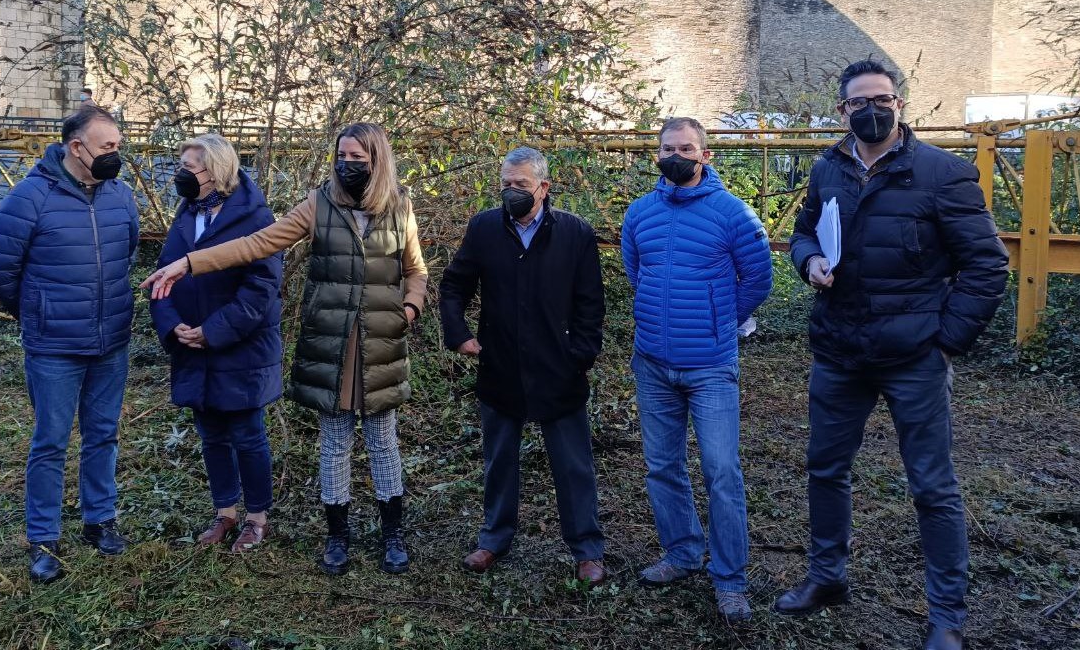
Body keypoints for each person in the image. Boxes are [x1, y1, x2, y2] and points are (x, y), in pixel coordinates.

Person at [775, 60, 1009, 650]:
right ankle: (828, 577)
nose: (872, 109)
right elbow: (804, 232)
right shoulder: (828, 169)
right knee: (826, 469)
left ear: (900, 104)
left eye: (883, 99)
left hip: (913, 359)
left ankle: (947, 617)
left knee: (932, 486)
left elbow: (986, 265)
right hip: (839, 350)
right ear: (843, 111)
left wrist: (945, 341)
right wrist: (809, 262)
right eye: (859, 103)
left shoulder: (943, 174)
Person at [142, 123, 428, 576]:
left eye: (357, 157)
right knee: (334, 443)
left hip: (381, 345)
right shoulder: (319, 204)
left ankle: (392, 534)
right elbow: (258, 244)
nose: (346, 164)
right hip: (329, 346)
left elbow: (415, 270)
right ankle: (338, 536)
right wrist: (188, 264)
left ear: (377, 160)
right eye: (342, 155)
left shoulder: (401, 209)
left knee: (383, 442)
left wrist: (408, 310)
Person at [621, 116, 773, 623]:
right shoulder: (639, 213)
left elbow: (758, 278)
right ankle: (683, 552)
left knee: (721, 472)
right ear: (657, 154)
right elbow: (635, 272)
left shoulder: (734, 214)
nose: (676, 155)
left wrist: (718, 322)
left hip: (710, 366)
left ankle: (730, 579)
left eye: (687, 147)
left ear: (706, 155)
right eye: (668, 148)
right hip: (653, 363)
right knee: (662, 466)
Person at [0, 106, 139, 582]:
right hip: (54, 348)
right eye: (107, 147)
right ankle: (44, 538)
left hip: (111, 340)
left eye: (117, 145)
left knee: (103, 433)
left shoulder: (121, 197)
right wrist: (37, 312)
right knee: (50, 441)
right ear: (76, 148)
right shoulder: (30, 198)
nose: (116, 154)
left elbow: (126, 252)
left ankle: (100, 520)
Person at [439, 147, 609, 587]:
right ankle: (494, 539)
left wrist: (581, 355)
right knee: (499, 460)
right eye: (506, 184)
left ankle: (587, 550)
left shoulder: (574, 233)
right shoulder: (484, 228)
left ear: (544, 187)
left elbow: (591, 303)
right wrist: (458, 333)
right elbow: (454, 285)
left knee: (573, 465)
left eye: (522, 185)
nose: (512, 192)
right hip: (501, 365)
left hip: (560, 369)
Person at [149, 134, 283, 552]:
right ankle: (225, 513)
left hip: (240, 347)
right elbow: (161, 278)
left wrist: (214, 330)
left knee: (247, 434)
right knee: (211, 435)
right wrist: (174, 328)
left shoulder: (256, 219)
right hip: (191, 347)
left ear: (218, 172)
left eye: (191, 168)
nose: (182, 176)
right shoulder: (186, 214)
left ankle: (257, 517)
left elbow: (262, 289)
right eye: (182, 165)